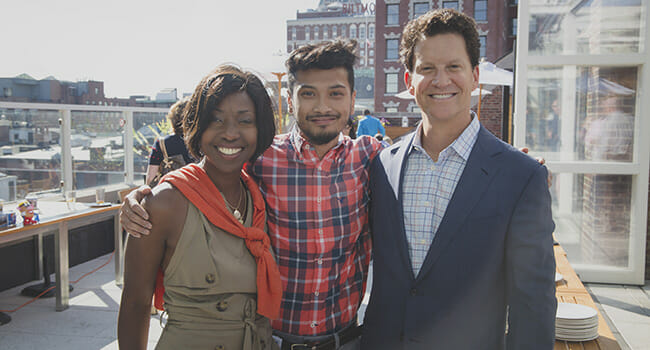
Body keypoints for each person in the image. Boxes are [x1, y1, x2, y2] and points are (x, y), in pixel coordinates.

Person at [120, 40, 382, 350]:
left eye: (335, 94)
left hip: (346, 339)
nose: (323, 106)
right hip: (268, 340)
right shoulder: (262, 158)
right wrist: (144, 197)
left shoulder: (375, 159)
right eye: (308, 94)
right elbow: (209, 171)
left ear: (352, 100)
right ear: (290, 99)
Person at [362, 9, 556, 350]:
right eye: (427, 69)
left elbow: (534, 302)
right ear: (409, 81)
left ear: (475, 75)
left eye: (454, 67)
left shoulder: (521, 176)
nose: (441, 80)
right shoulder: (381, 166)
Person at [117, 65, 281, 350]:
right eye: (216, 120)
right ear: (197, 126)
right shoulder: (165, 202)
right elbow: (134, 303)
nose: (230, 134)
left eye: (245, 121)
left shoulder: (258, 196)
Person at [145, 97, 195, 186]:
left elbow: (150, 178)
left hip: (169, 194)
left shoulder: (161, 144)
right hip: (196, 194)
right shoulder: (203, 143)